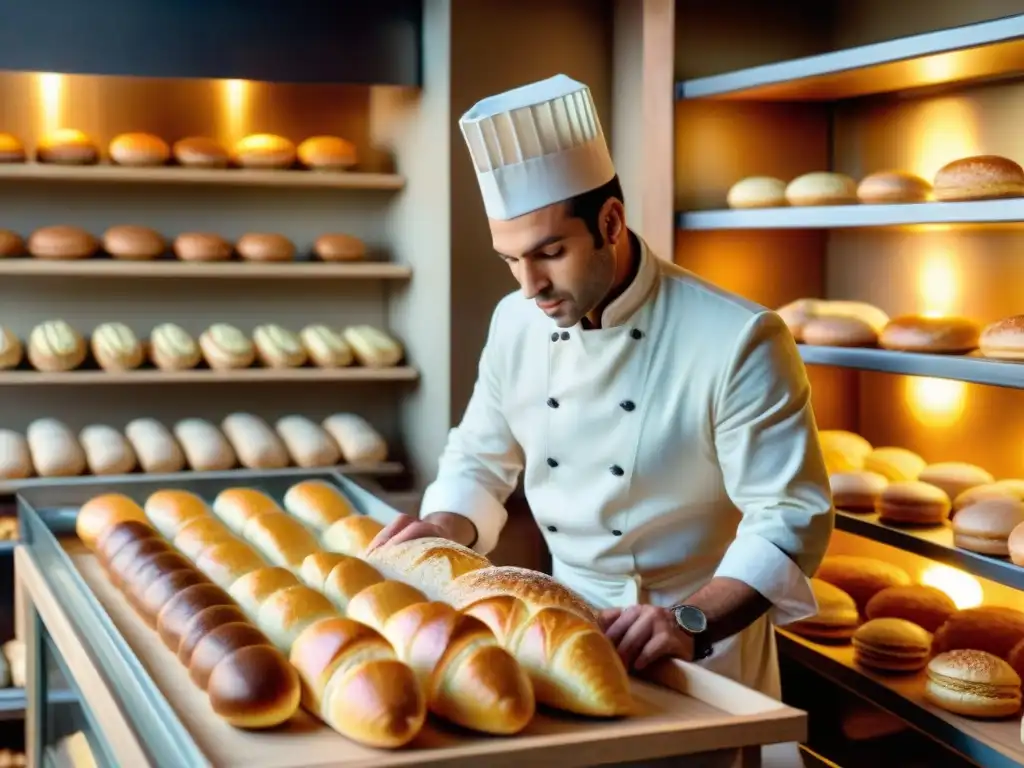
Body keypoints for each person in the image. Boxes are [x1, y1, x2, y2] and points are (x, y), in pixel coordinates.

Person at [367, 73, 834, 698]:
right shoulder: (514, 321)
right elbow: (480, 455)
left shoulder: (738, 337)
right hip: (559, 633)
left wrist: (689, 621)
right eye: (511, 260)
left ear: (610, 222)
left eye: (549, 252)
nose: (529, 285)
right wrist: (445, 526)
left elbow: (789, 516)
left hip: (703, 652)